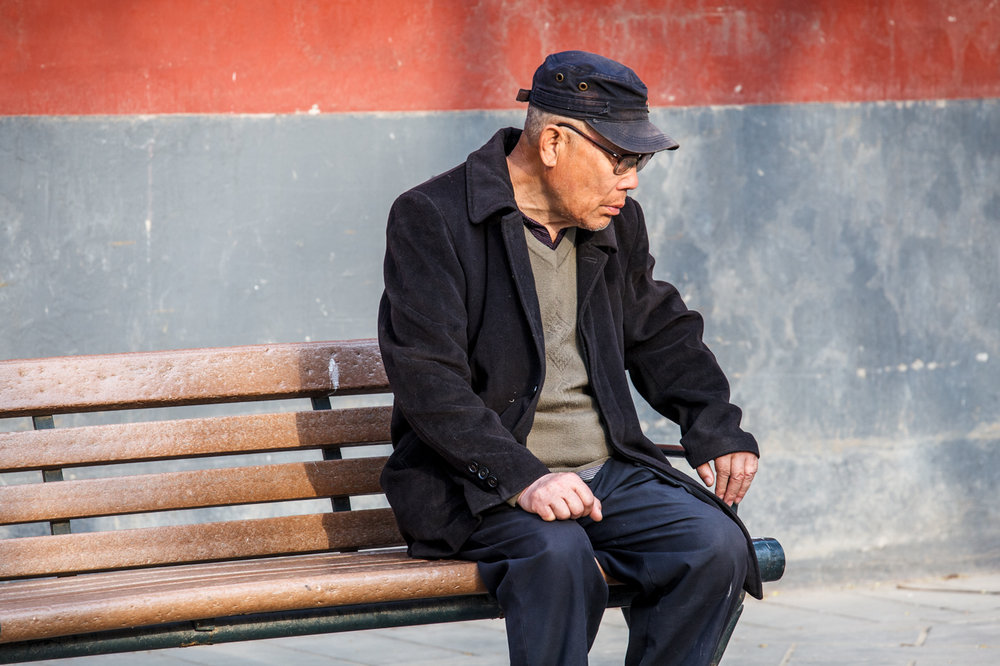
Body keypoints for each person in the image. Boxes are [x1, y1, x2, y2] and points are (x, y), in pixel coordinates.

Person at [377, 50, 761, 666]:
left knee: (714, 545)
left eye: (639, 163)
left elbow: (661, 332)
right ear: (554, 141)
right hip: (477, 485)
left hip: (606, 472)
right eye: (620, 158)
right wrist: (525, 478)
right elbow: (428, 379)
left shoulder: (614, 221)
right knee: (558, 559)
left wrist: (714, 426)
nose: (631, 179)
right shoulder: (434, 217)